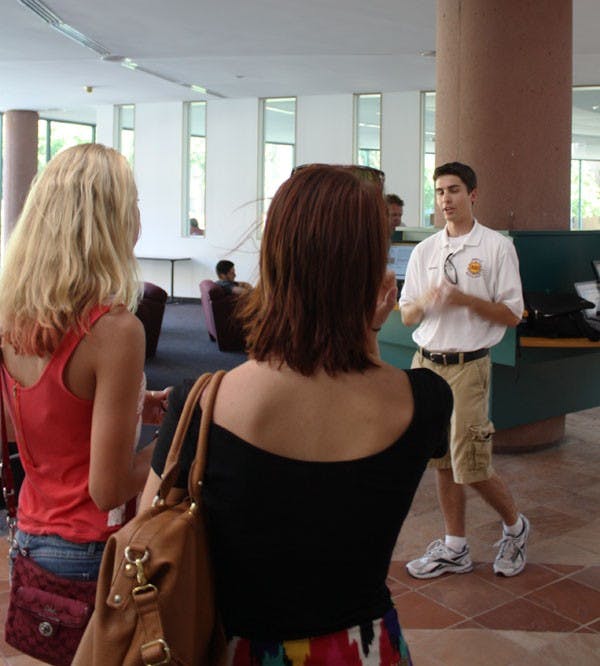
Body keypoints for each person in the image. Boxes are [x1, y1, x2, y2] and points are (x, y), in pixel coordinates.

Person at [141, 164, 453, 665]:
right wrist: (367, 328)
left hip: (235, 648)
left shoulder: (202, 401)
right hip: (366, 650)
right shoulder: (426, 401)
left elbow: (147, 527)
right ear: (377, 277)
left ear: (273, 265)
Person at [0, 143, 168, 582]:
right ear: (109, 221)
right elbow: (107, 489)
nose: (138, 220)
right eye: (132, 205)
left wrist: (130, 405)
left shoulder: (9, 313)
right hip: (90, 552)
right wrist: (173, 439)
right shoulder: (115, 330)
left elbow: (31, 423)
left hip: (31, 537)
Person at [399, 161, 529, 579]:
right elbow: (407, 316)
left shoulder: (496, 247)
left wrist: (465, 300)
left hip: (468, 366)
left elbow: (512, 315)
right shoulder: (426, 251)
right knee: (440, 459)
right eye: (439, 192)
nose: (445, 200)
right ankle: (455, 546)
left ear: (472, 194)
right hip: (426, 365)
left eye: (453, 190)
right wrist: (428, 302)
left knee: (470, 462)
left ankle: (515, 526)